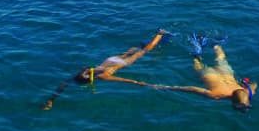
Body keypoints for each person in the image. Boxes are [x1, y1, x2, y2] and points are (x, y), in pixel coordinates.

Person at [41, 29, 171, 110]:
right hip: (110, 59)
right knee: (131, 51)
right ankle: (153, 39)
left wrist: (143, 84)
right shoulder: (86, 71)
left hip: (122, 63)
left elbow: (124, 80)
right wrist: (51, 100)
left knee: (145, 51)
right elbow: (63, 85)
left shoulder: (102, 77)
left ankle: (159, 34)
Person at [152, 34, 258, 112]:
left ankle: (216, 45)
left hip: (226, 73)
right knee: (198, 65)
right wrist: (168, 87)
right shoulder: (216, 95)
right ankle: (197, 55)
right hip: (209, 75)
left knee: (221, 59)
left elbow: (254, 84)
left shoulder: (249, 91)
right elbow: (191, 88)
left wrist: (246, 86)